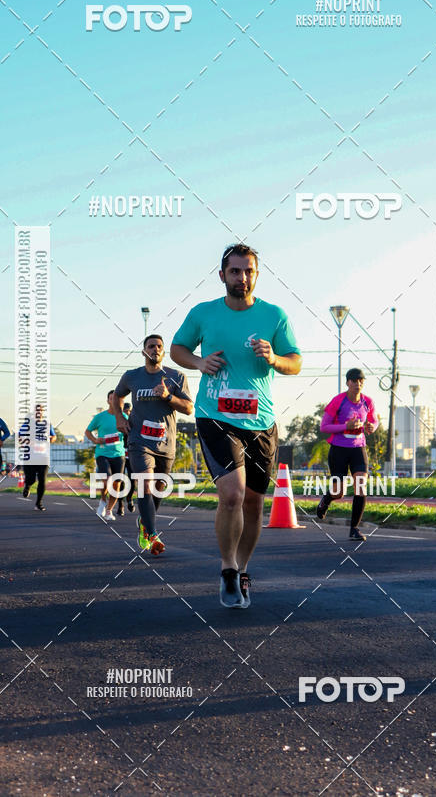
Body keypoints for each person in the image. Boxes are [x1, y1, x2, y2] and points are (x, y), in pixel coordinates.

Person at [171, 243, 302, 608]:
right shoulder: (204, 313)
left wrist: (275, 358)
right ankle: (227, 568)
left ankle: (243, 570)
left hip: (261, 420)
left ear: (256, 275)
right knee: (232, 495)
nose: (241, 277)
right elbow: (177, 349)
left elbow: (296, 362)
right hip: (215, 414)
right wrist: (198, 362)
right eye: (235, 271)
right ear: (222, 275)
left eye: (248, 271)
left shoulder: (275, 315)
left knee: (254, 504)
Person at [113, 335, 193, 555]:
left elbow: (188, 408)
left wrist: (168, 397)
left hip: (165, 443)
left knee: (158, 490)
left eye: (159, 347)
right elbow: (117, 396)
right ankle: (153, 534)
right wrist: (119, 418)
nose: (155, 349)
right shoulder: (132, 376)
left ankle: (145, 524)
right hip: (139, 440)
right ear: (144, 352)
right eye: (151, 346)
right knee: (145, 485)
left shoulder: (176, 376)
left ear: (163, 352)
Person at [317, 368, 379, 540]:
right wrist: (346, 426)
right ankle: (327, 499)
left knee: (361, 486)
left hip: (358, 449)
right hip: (338, 449)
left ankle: (354, 529)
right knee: (339, 492)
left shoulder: (368, 402)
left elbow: (374, 420)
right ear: (348, 383)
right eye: (354, 381)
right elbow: (324, 427)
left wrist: (372, 427)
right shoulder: (338, 401)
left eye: (361, 381)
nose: (358, 384)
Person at [85, 391, 127, 520]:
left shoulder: (124, 416)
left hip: (118, 454)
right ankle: (103, 500)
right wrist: (95, 440)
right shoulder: (100, 417)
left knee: (117, 484)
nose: (114, 401)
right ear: (108, 401)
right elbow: (88, 431)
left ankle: (109, 510)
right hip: (102, 453)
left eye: (117, 399)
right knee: (107, 480)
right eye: (111, 398)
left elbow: (129, 432)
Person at [20, 405, 57, 511]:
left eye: (41, 411)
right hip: (30, 457)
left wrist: (51, 439)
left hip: (43, 457)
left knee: (42, 479)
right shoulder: (28, 423)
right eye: (37, 411)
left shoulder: (47, 424)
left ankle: (39, 503)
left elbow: (54, 436)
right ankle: (27, 485)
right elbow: (20, 436)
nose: (39, 412)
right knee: (31, 479)